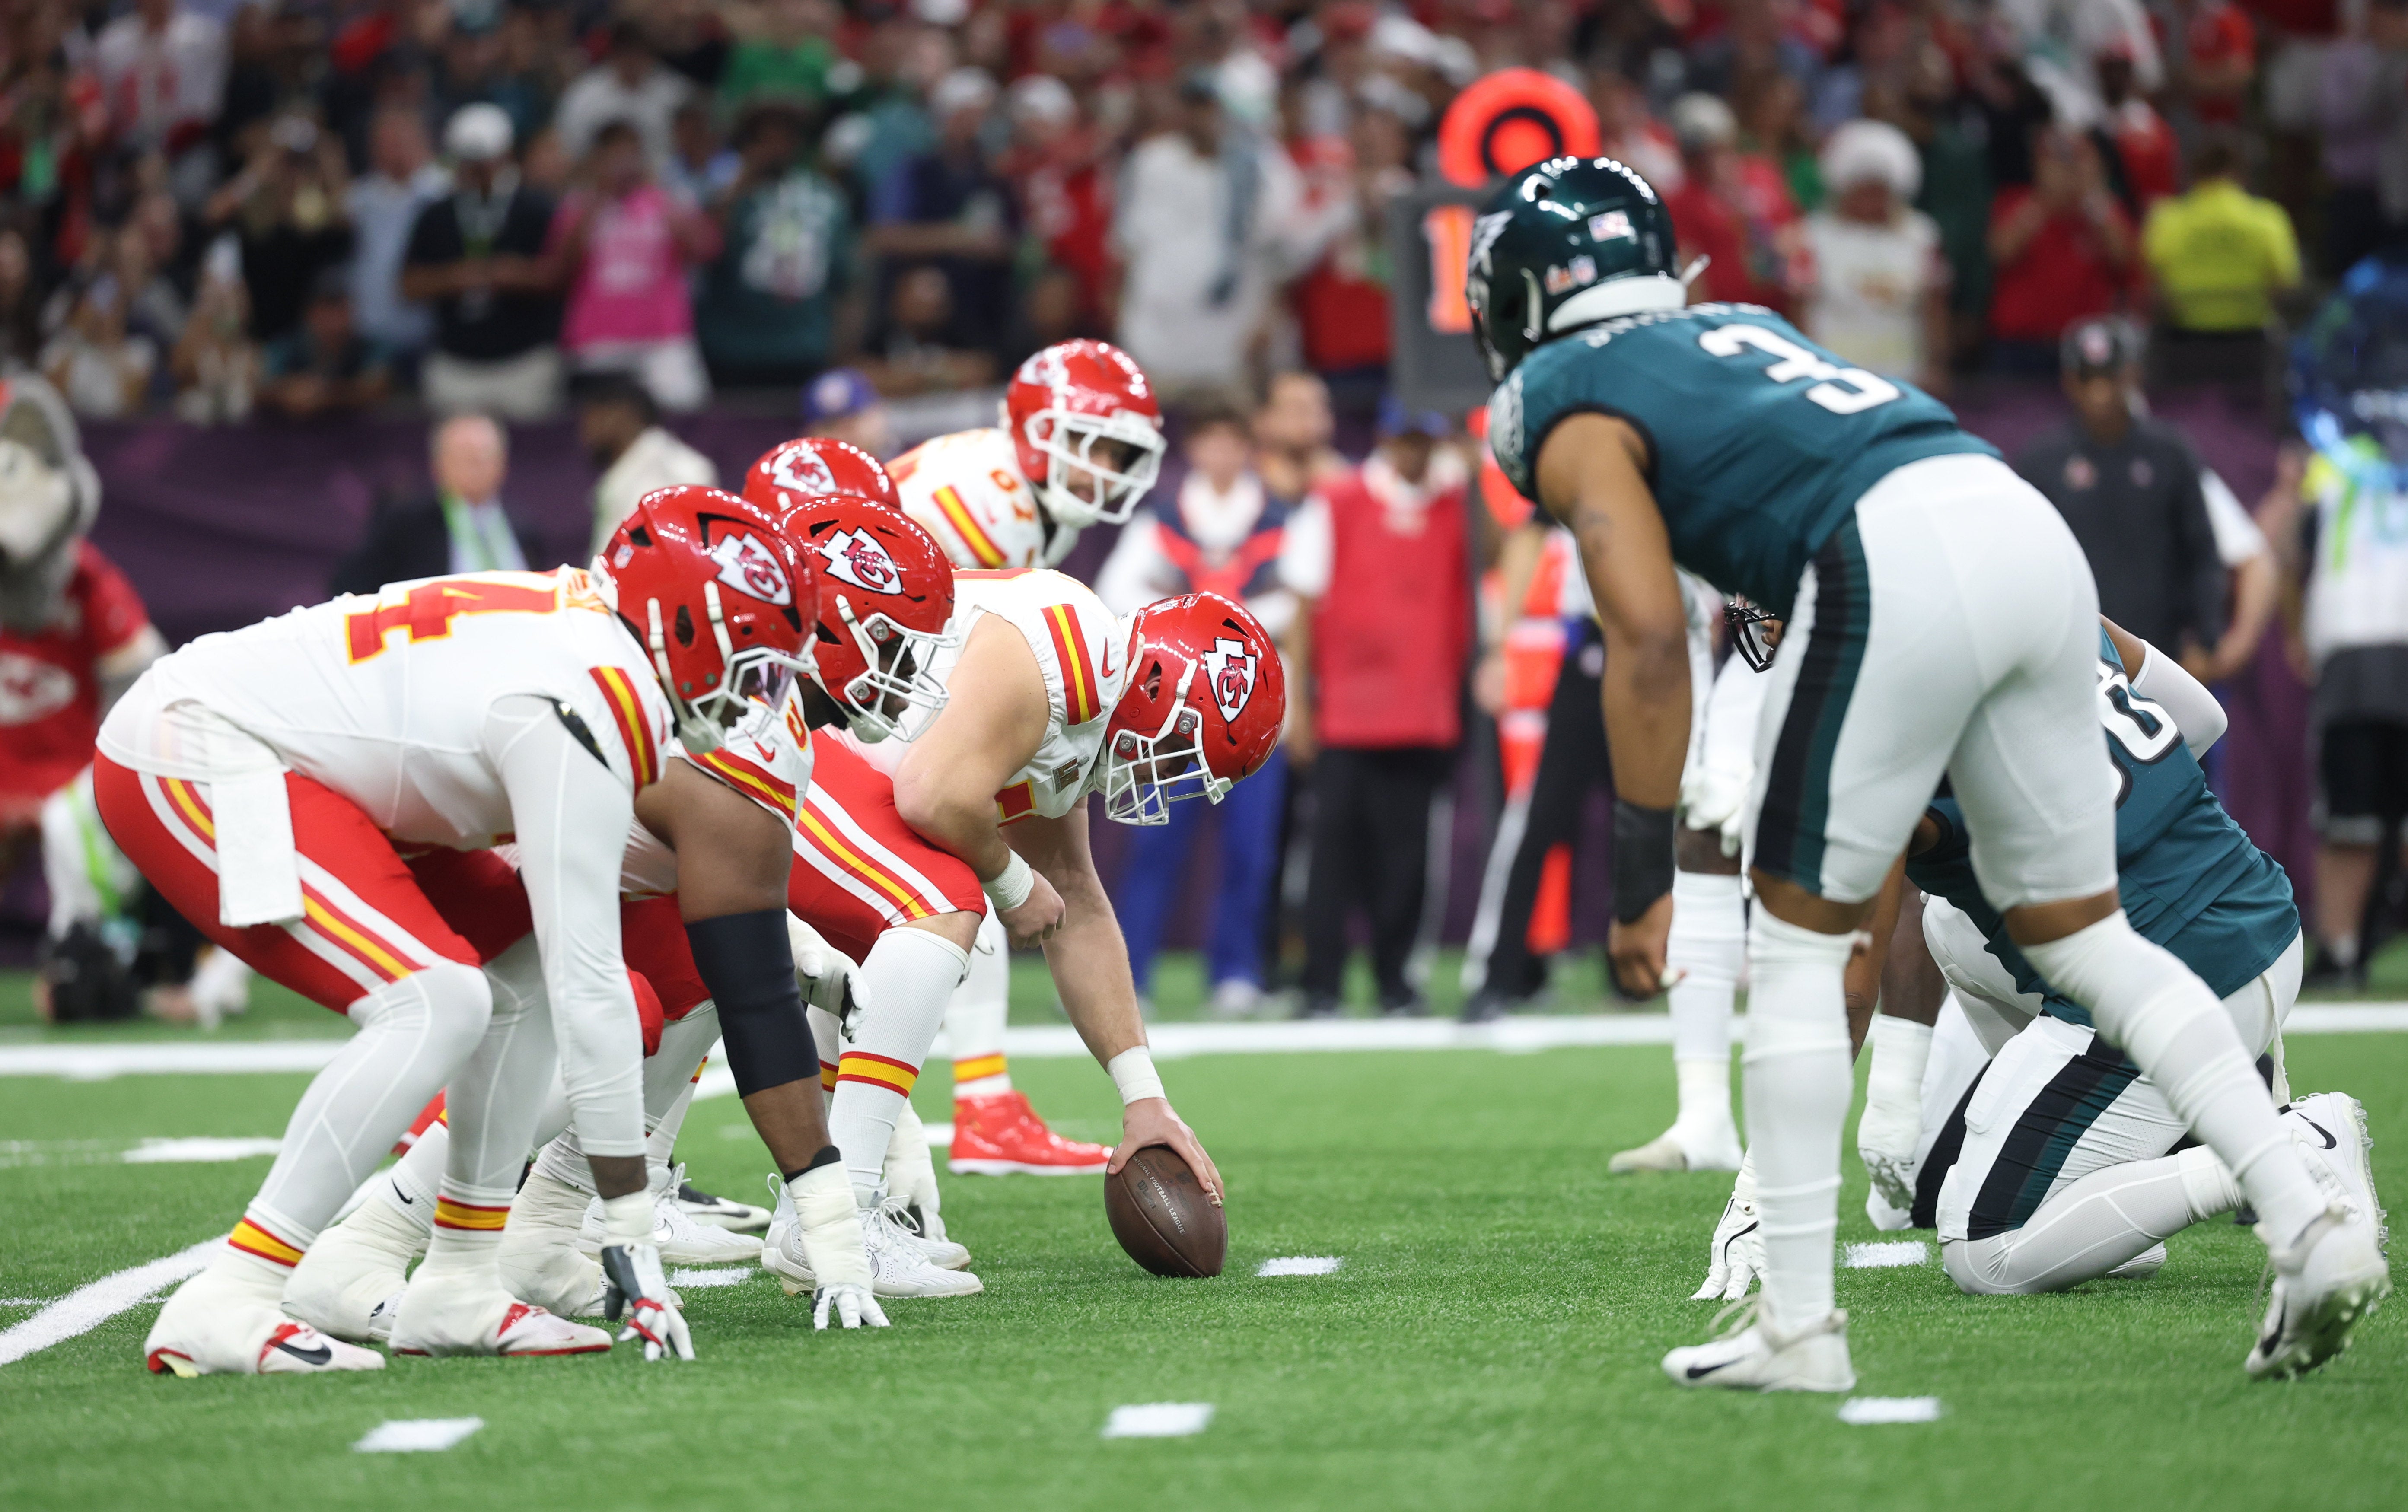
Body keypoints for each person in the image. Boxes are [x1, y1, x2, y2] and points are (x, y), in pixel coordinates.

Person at [1469, 154, 2383, 1391]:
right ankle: (2302, 1208)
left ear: (1521, 298)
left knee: (1799, 946)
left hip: (1883, 553)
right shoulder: (1736, 326)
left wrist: (1635, 878)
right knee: (2082, 940)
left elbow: (1640, 645)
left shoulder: (1565, 392)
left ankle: (1795, 1323)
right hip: (2007, 516)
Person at [102, 487, 839, 1374]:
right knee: (439, 1000)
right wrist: (631, 1225)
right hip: (206, 744)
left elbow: (562, 968)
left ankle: (457, 1279)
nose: (761, 694)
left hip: (338, 780)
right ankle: (234, 1293)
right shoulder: (591, 694)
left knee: (514, 973)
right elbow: (592, 981)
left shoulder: (595, 648)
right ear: (681, 623)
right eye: (751, 660)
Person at [1810, 622, 2335, 1300]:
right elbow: (2203, 719)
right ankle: (2107, 1163)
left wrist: (1763, 1189)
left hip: (2173, 966)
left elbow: (1848, 991)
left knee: (1984, 1248)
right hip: (2256, 912)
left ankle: (2286, 1150)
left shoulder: (1885, 721)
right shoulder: (2041, 599)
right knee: (1952, 919)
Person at [886, 338, 1168, 1170]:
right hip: (820, 698)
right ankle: (978, 1101)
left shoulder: (1022, 497)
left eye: (1125, 452)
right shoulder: (991, 503)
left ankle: (982, 1098)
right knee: (968, 846)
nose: (1112, 467)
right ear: (1045, 433)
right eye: (1100, 445)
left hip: (867, 688)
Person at [1095, 400, 1296, 1018]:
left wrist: (1198, 616)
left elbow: (1300, 601)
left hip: (1254, 708)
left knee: (1250, 850)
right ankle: (1129, 975)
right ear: (1194, 451)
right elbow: (1116, 591)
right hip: (1174, 716)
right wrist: (1218, 619)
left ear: (1247, 448)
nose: (1222, 455)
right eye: (1210, 442)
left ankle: (1236, 970)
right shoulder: (1162, 518)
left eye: (1232, 442)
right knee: (1154, 847)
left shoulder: (1282, 516)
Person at [1284, 400, 1473, 1019]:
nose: (1415, 453)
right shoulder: (1337, 502)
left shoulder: (1454, 506)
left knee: (1408, 859)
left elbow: (1483, 575)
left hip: (1422, 713)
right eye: (1405, 440)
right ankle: (1322, 985)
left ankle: (1396, 982)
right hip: (1347, 712)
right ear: (1386, 441)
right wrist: (1302, 710)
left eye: (1426, 441)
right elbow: (1304, 607)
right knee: (1332, 857)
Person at [0, 378, 162, 892]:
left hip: (76, 778)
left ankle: (93, 952)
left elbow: (142, 688)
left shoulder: (88, 583)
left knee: (82, 826)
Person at [2011, 318, 2223, 658]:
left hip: (2158, 652)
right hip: (2072, 656)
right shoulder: (2043, 463)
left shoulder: (2170, 454)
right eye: (2088, 378)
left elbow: (2201, 551)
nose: (2099, 391)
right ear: (2069, 383)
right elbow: (2023, 562)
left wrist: (2207, 635)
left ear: (2131, 376)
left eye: (2109, 377)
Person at [1112, 68, 1322, 397]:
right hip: (1155, 337)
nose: (1203, 116)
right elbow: (1126, 247)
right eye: (1195, 106)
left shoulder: (1264, 167)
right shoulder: (1151, 161)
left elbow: (1282, 253)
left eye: (1212, 106)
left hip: (1230, 343)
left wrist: (1268, 318)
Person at [404, 104, 564, 421]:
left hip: (525, 362)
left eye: (485, 162)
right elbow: (408, 284)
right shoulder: (436, 214)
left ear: (505, 156)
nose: (478, 171)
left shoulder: (536, 207)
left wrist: (515, 275)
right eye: (470, 162)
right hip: (456, 364)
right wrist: (455, 278)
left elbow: (561, 277)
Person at [551, 120, 720, 413]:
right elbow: (561, 267)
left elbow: (706, 249)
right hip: (599, 339)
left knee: (686, 417)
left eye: (630, 155)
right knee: (604, 422)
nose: (622, 165)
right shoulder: (578, 206)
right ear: (598, 159)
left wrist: (661, 201)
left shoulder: (666, 202)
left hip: (663, 339)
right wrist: (599, 199)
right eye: (613, 156)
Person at [696, 102, 854, 389]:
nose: (776, 149)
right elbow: (703, 252)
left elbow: (845, 278)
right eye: (765, 140)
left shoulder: (827, 198)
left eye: (784, 139)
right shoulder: (727, 197)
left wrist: (839, 349)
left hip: (804, 347)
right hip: (733, 349)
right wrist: (740, 185)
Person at [1800, 119, 1949, 392]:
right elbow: (1800, 306)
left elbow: (1934, 305)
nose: (1872, 203)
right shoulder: (1812, 236)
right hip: (1832, 376)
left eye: (1880, 192)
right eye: (1863, 192)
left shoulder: (1920, 235)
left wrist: (1936, 366)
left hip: (1903, 376)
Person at [2142, 134, 2302, 374]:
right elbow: (2286, 282)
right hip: (2252, 346)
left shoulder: (2166, 219)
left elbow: (2151, 285)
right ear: (2244, 173)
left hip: (2185, 347)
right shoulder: (2269, 219)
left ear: (2194, 172)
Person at [331, 414, 538, 597]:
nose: (477, 465)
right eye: (466, 457)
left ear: (504, 463)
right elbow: (348, 586)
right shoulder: (408, 523)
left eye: (485, 456)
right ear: (438, 465)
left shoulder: (521, 526)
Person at [1987, 124, 2137, 372]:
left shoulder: (2106, 211)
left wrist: (2093, 196)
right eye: (2056, 160)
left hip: (2085, 345)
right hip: (2021, 345)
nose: (2068, 168)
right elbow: (2000, 252)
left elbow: (2124, 259)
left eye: (2077, 159)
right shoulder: (2014, 201)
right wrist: (2043, 200)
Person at [347, 108, 447, 368]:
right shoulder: (361, 197)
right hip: (372, 331)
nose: (393, 150)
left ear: (421, 140)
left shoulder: (444, 193)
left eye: (400, 140)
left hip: (429, 330)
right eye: (384, 142)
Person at [580, 375, 718, 555]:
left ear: (623, 413)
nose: (585, 429)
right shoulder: (630, 467)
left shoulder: (670, 471)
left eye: (593, 415)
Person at [554, 22, 693, 170]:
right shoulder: (584, 95)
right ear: (614, 53)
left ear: (650, 54)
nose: (632, 60)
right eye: (626, 51)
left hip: (664, 182)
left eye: (638, 52)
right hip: (599, 182)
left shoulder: (675, 94)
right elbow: (567, 148)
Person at [258, 275, 391, 421]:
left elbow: (377, 387)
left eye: (341, 309)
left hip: (356, 435)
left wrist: (324, 394)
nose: (335, 320)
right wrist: (287, 391)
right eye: (327, 309)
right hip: (289, 437)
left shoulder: (371, 348)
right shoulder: (287, 347)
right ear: (310, 314)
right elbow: (258, 387)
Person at [801, 367, 896, 460]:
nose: (846, 432)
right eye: (831, 425)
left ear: (878, 412)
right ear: (810, 434)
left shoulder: (908, 465)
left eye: (854, 418)